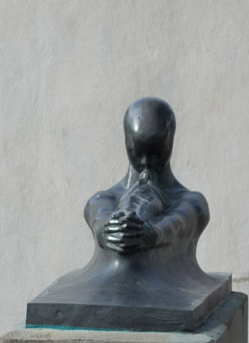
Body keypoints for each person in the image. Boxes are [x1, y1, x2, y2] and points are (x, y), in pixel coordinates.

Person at [83, 97, 209, 258]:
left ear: (170, 141)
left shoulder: (192, 203)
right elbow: (100, 221)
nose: (146, 161)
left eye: (157, 152)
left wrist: (149, 234)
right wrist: (111, 231)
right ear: (126, 141)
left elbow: (178, 222)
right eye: (138, 152)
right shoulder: (101, 200)